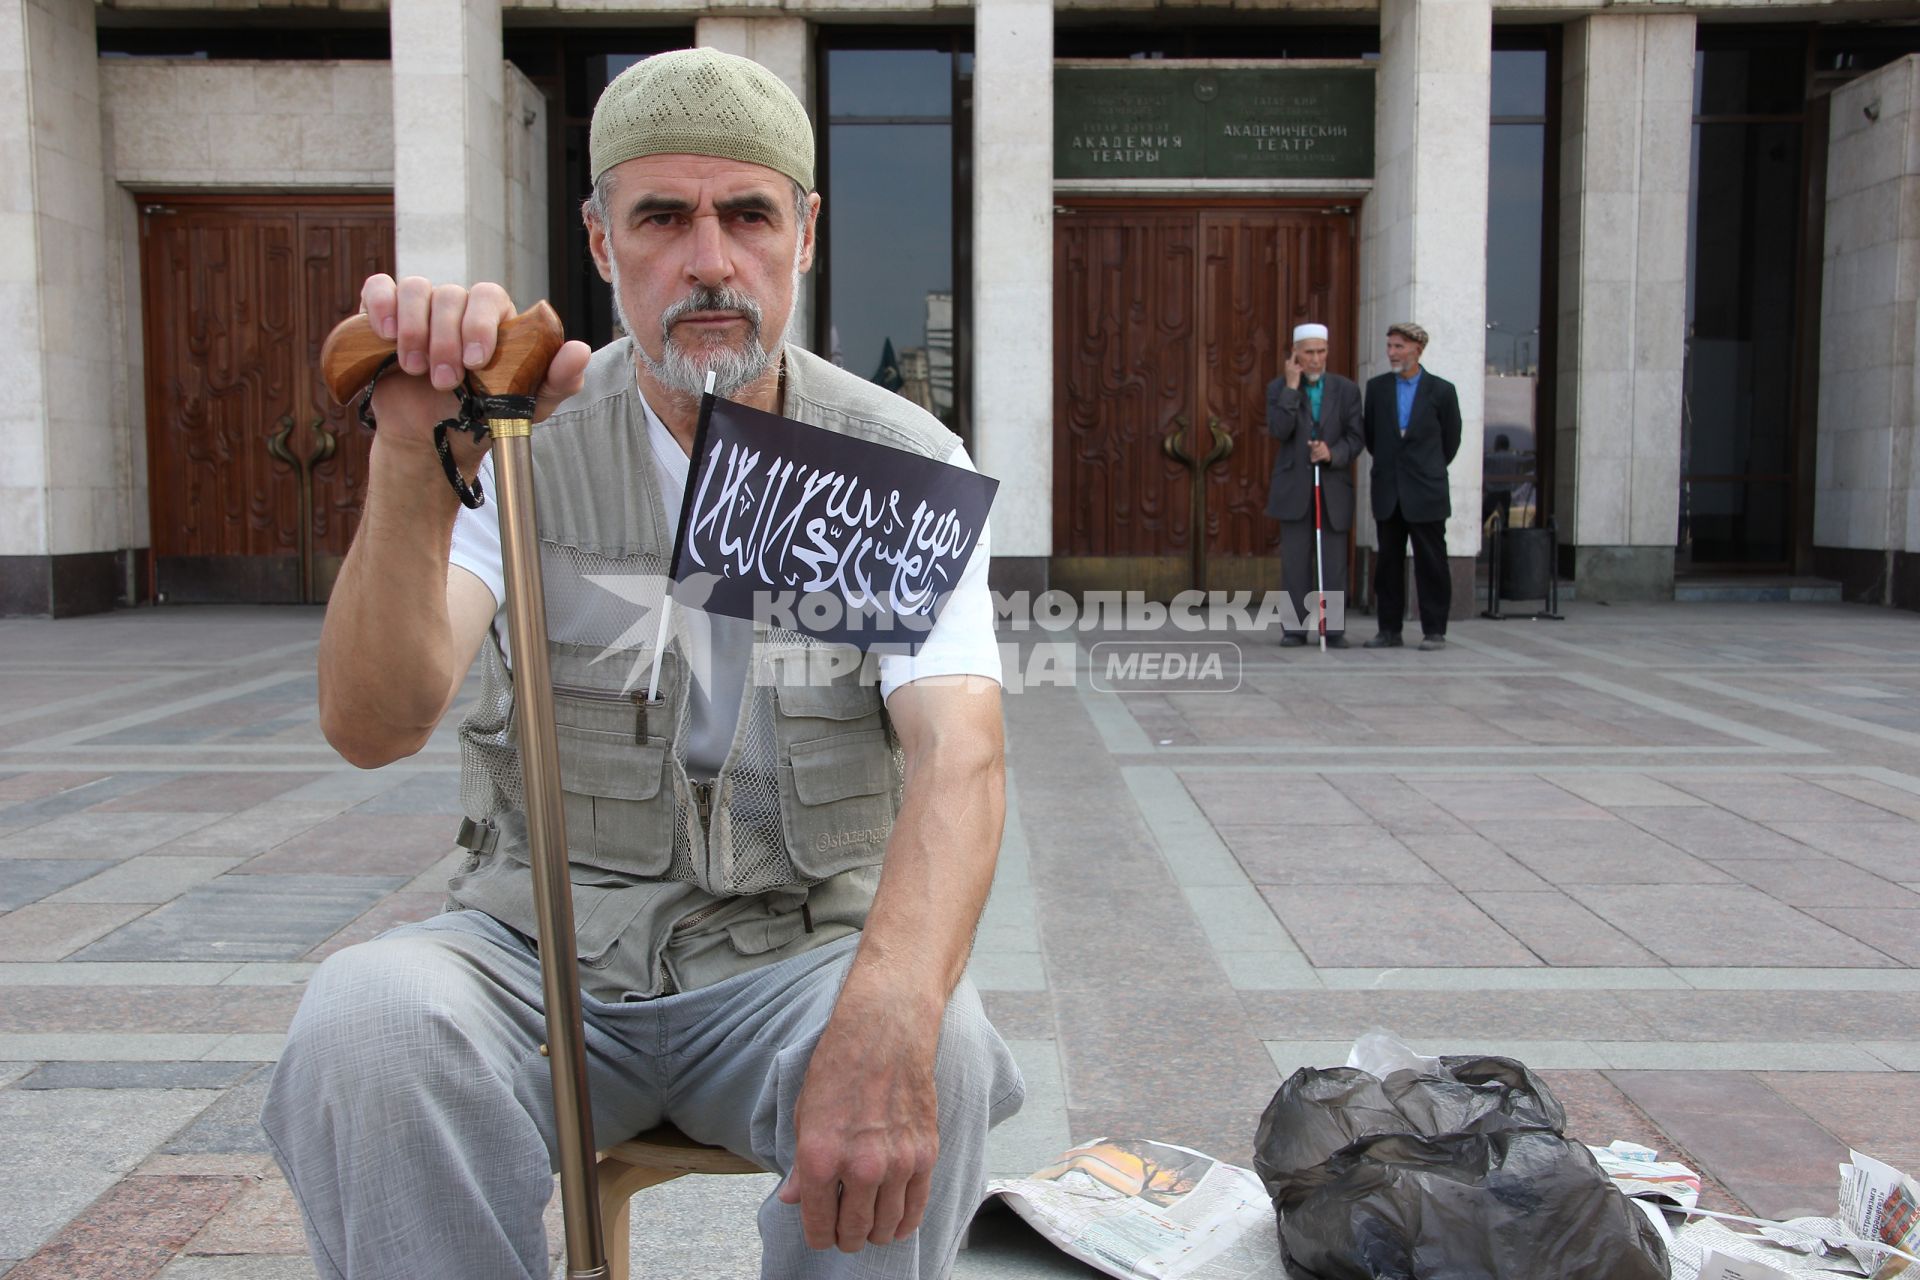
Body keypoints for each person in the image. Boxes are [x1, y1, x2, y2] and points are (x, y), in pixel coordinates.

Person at [263, 48, 1024, 1280]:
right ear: (602, 238)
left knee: (938, 1044)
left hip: (794, 957)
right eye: (662, 216)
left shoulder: (891, 455)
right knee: (370, 1021)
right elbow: (375, 721)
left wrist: (890, 1006)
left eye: (748, 215)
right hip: (538, 954)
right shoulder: (515, 433)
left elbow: (962, 752)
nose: (709, 259)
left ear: (807, 232)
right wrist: (409, 450)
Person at [1362, 322, 1461, 652]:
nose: (1392, 353)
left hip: (1426, 491)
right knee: (1388, 563)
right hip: (1389, 490)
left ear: (1418, 349)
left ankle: (1434, 630)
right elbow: (1373, 438)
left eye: (1399, 347)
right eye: (1389, 346)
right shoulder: (1376, 389)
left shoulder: (1442, 391)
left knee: (1431, 563)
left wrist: (1425, 469)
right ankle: (1388, 630)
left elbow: (1450, 441)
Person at [1265, 322, 1364, 648]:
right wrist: (1292, 388)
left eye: (1321, 352)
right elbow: (1279, 430)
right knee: (1295, 561)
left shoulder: (1346, 389)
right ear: (1295, 354)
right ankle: (1294, 629)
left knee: (1332, 562)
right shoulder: (1279, 388)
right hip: (1294, 487)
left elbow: (1356, 437)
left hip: (1332, 485)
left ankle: (1332, 628)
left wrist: (1331, 453)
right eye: (1309, 353)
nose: (1316, 360)